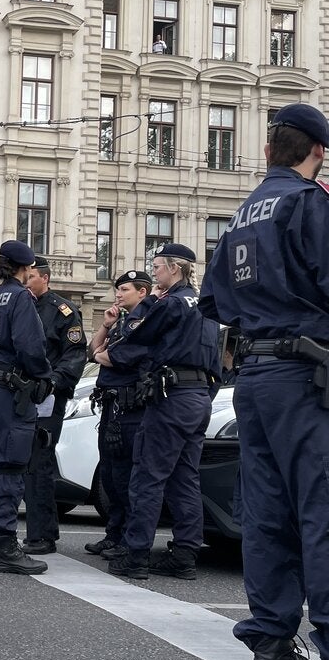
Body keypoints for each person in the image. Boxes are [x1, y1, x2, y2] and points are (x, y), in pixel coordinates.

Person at [199, 102, 329, 660]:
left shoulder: (242, 213)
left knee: (267, 514)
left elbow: (213, 303)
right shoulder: (310, 203)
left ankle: (273, 648)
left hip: (255, 376)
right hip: (307, 375)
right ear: (317, 151)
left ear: (271, 149)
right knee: (321, 510)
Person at [104, 243, 220, 581]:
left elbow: (136, 338)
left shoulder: (170, 304)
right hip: (198, 398)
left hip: (171, 399)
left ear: (174, 268)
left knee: (147, 477)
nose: (153, 273)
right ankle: (184, 555)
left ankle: (136, 555)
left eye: (156, 266)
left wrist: (107, 352)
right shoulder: (207, 305)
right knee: (185, 479)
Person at [0, 241, 54, 575]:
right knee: (12, 465)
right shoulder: (21, 297)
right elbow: (30, 345)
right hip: (11, 390)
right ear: (27, 268)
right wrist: (43, 376)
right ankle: (6, 545)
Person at [85, 270, 153, 560]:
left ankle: (127, 538)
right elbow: (93, 351)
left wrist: (102, 354)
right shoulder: (122, 322)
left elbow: (117, 357)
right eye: (118, 289)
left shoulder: (146, 322)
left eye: (125, 289)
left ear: (142, 292)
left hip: (131, 408)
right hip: (111, 406)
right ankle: (113, 534)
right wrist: (105, 326)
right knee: (110, 475)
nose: (118, 294)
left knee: (126, 477)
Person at [23, 256, 87, 555]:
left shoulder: (63, 311)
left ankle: (42, 535)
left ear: (45, 278)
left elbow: (74, 354)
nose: (26, 280)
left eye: (31, 275)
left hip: (47, 397)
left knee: (40, 464)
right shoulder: (20, 306)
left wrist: (52, 382)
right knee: (20, 464)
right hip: (21, 395)